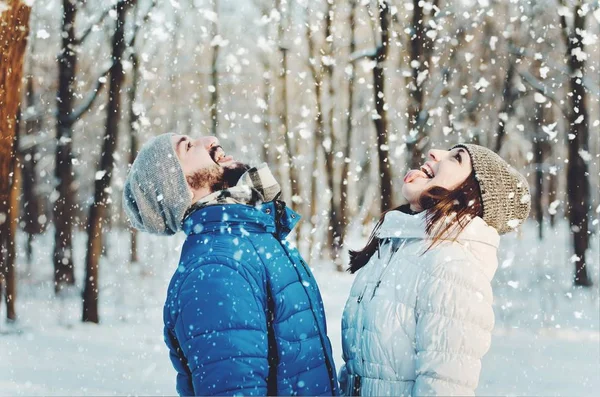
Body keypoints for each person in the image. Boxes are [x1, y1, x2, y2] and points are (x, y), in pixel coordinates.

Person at [123, 133, 339, 396]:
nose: (210, 139)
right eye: (189, 147)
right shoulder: (214, 270)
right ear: (181, 189)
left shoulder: (251, 238)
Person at [339, 144, 531, 396]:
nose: (434, 152)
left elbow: (444, 388)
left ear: (470, 194)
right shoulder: (392, 248)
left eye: (456, 158)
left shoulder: (453, 269)